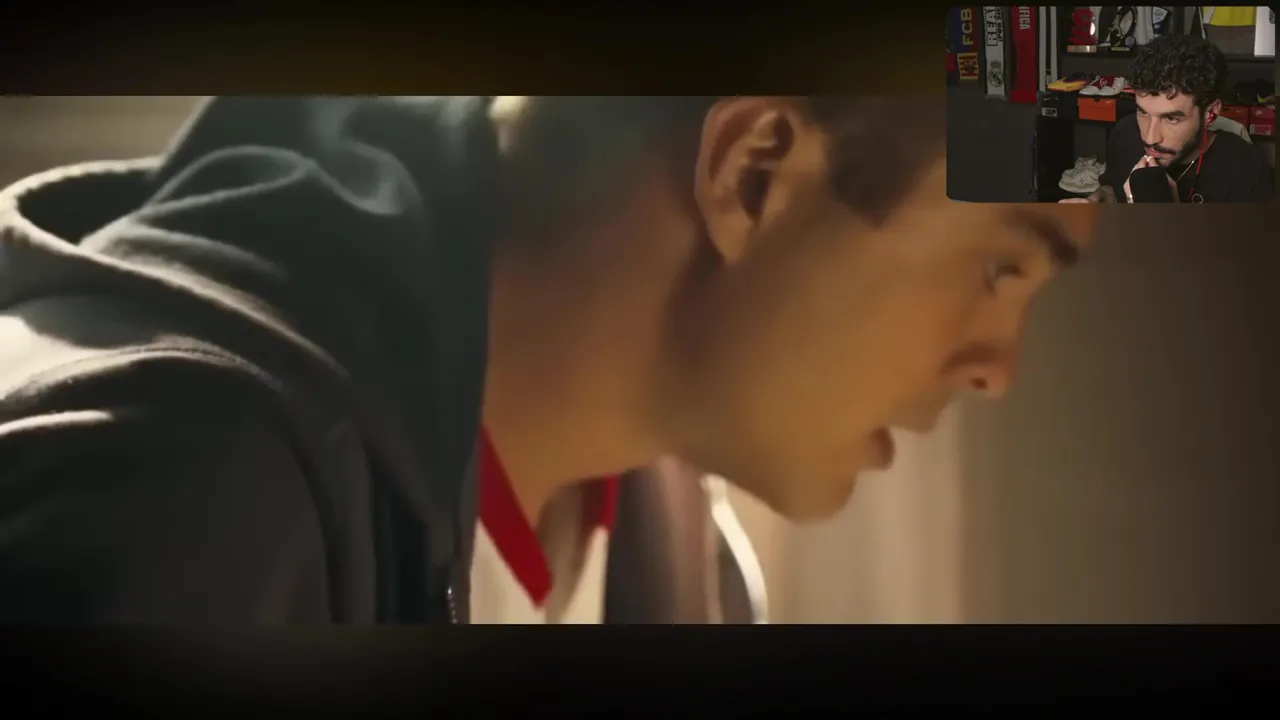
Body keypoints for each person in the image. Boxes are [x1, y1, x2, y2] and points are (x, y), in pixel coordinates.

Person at [0, 96, 1097, 623]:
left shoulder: (690, 574)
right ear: (755, 172)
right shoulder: (173, 503)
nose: (997, 367)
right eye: (1002, 267)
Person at [1080, 34, 1273, 204]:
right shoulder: (1125, 132)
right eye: (1143, 112)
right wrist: (1097, 200)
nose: (1150, 138)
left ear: (1210, 113)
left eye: (1171, 118)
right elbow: (1112, 189)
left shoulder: (1247, 168)